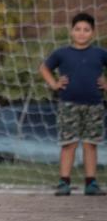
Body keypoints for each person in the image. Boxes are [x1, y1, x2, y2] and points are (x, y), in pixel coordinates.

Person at [39, 12, 107, 196]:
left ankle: (91, 183)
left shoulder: (100, 54)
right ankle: (64, 181)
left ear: (93, 33)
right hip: (68, 104)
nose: (82, 33)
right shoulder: (62, 53)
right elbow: (44, 68)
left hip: (94, 105)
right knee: (68, 144)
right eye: (78, 29)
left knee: (90, 144)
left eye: (86, 30)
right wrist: (54, 83)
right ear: (71, 31)